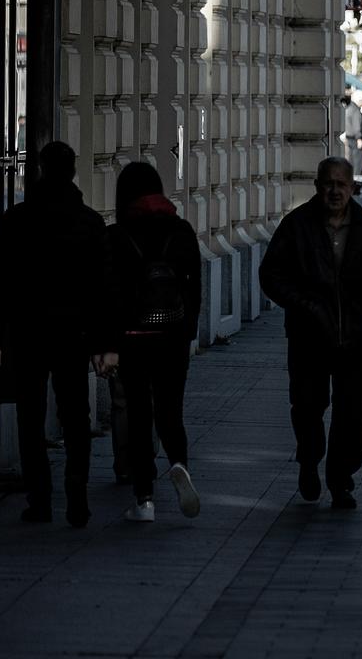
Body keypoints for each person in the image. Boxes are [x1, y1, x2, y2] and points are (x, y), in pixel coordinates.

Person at [258, 157, 362, 510]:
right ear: (317, 186)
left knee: (351, 414)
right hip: (308, 337)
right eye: (328, 184)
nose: (335, 191)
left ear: (352, 188)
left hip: (352, 337)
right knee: (307, 406)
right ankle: (309, 460)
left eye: (341, 184)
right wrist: (303, 304)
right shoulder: (298, 226)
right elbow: (271, 274)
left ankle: (341, 481)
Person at [0, 141, 110, 526]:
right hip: (73, 333)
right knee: (76, 416)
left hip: (28, 332)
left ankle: (40, 500)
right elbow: (100, 290)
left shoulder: (15, 221)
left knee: (30, 416)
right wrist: (101, 343)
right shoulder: (91, 224)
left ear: (39, 169)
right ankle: (77, 498)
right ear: (74, 172)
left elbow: (1, 285)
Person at [105, 161, 202, 523]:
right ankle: (179, 464)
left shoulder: (116, 235)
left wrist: (109, 341)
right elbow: (194, 286)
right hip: (172, 335)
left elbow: (109, 293)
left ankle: (144, 498)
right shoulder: (181, 230)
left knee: (139, 414)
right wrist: (189, 330)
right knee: (170, 410)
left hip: (133, 337)